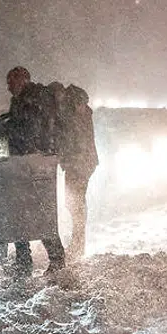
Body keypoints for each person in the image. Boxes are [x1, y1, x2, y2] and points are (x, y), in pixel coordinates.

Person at [4, 66, 67, 272]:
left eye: (11, 82)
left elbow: (32, 130)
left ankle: (56, 259)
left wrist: (32, 151)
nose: (8, 87)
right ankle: (24, 260)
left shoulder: (34, 99)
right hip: (23, 164)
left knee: (38, 213)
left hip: (34, 164)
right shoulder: (21, 101)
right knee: (20, 213)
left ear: (23, 80)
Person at [57, 84, 99, 260]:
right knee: (75, 203)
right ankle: (77, 243)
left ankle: (78, 245)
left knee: (76, 204)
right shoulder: (79, 108)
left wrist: (67, 156)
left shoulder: (73, 110)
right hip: (81, 162)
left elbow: (75, 138)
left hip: (79, 163)